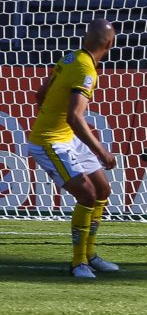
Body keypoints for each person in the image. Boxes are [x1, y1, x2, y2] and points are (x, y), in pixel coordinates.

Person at [25, 18, 118, 279]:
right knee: (87, 194)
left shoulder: (70, 58)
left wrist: (50, 115)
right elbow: (75, 117)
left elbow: (40, 95)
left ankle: (90, 255)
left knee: (102, 189)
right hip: (50, 141)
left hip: (65, 136)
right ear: (110, 43)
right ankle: (79, 263)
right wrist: (101, 150)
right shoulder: (86, 71)